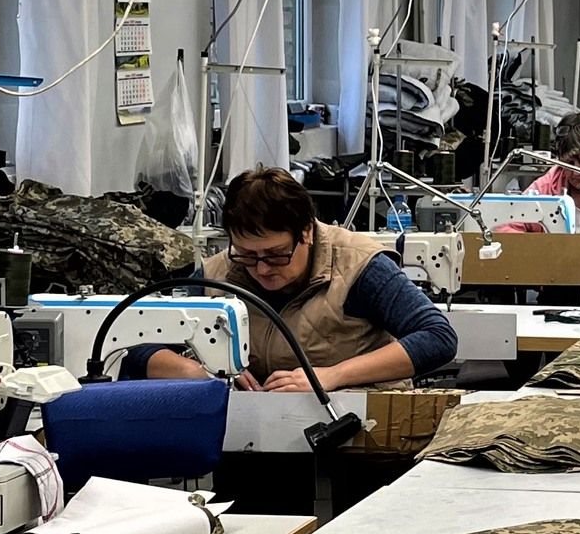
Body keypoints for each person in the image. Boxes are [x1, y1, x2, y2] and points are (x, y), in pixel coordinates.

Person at [128, 166, 456, 391]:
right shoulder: (216, 275)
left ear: (307, 232)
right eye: (247, 254)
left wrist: (332, 375)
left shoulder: (358, 266)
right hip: (252, 436)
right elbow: (134, 344)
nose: (262, 269)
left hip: (358, 436)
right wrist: (197, 372)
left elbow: (437, 337)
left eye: (275, 254)